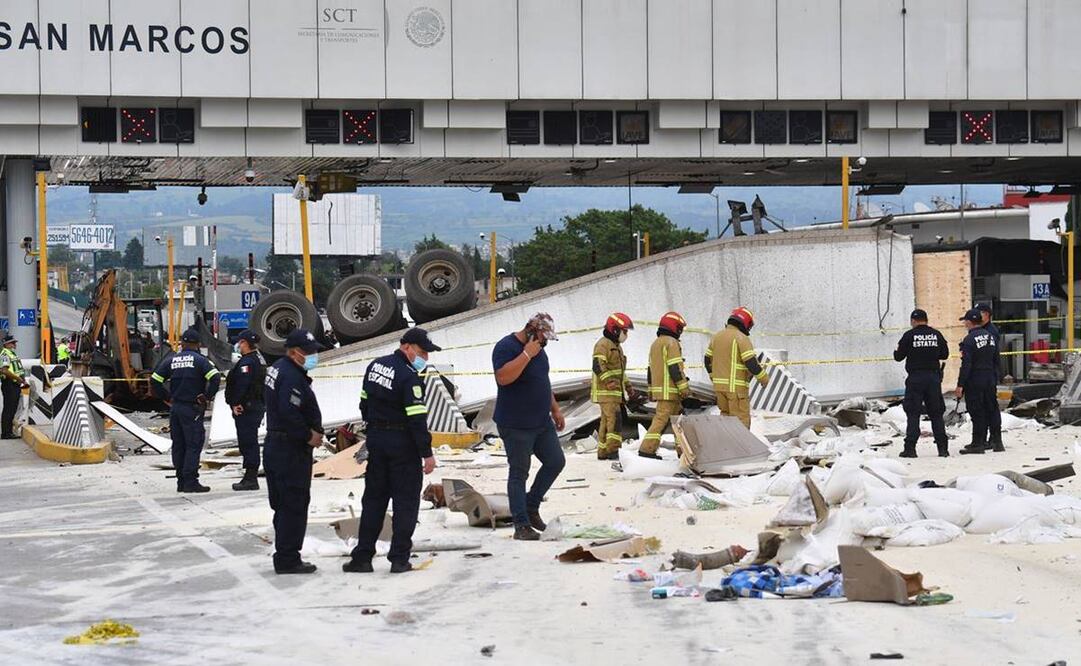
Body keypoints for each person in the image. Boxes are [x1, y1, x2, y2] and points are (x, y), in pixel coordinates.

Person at [343, 328, 440, 574]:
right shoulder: (409, 378)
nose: (424, 359)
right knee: (405, 503)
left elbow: (364, 403)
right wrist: (426, 453)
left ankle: (362, 557)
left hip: (377, 441)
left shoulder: (375, 366)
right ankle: (399, 559)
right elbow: (417, 420)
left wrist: (376, 426)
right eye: (421, 353)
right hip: (403, 445)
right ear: (406, 346)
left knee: (374, 501)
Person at [490, 313, 566, 541]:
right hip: (516, 424)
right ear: (532, 330)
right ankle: (521, 525)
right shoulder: (506, 347)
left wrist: (555, 408)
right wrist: (526, 354)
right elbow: (503, 378)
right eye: (543, 338)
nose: (545, 343)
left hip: (541, 421)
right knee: (519, 472)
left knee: (555, 462)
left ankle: (531, 506)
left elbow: (543, 380)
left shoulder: (540, 352)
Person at [263, 329, 324, 574]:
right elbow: (289, 413)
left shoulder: (278, 368)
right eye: (308, 353)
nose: (313, 357)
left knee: (283, 503)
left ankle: (285, 553)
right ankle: (288, 558)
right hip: (289, 448)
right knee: (293, 503)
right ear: (293, 352)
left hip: (278, 445)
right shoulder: (291, 376)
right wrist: (309, 435)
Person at [151, 328, 220, 492]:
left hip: (176, 408)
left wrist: (167, 397)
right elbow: (215, 377)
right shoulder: (200, 360)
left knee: (179, 444)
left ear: (182, 343)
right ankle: (191, 481)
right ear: (197, 345)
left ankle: (181, 481)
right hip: (192, 408)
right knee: (193, 444)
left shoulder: (171, 360)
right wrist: (207, 396)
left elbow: (155, 379)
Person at [894, 309, 950, 458]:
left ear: (913, 320)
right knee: (936, 414)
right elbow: (945, 354)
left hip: (915, 379)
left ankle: (910, 449)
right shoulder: (936, 334)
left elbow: (898, 357)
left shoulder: (909, 336)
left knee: (913, 413)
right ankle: (943, 449)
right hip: (933, 379)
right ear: (926, 319)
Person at [705, 306, 768, 429]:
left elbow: (707, 360)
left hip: (719, 389)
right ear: (745, 322)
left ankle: (726, 447)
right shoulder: (741, 338)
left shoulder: (716, 337)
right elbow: (751, 362)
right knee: (741, 424)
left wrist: (713, 377)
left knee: (726, 421)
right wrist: (764, 378)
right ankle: (740, 448)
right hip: (736, 391)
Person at [640, 311, 689, 459]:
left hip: (662, 391)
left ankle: (683, 451)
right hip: (671, 391)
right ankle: (646, 450)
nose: (680, 332)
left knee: (677, 421)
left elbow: (650, 369)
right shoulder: (671, 343)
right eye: (679, 328)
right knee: (662, 421)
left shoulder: (655, 344)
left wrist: (650, 389)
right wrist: (684, 387)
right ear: (674, 327)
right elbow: (675, 368)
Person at [956, 308, 1001, 455]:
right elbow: (996, 360)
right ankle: (997, 441)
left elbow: (966, 364)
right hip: (990, 377)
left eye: (965, 321)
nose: (964, 324)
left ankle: (978, 443)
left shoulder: (969, 340)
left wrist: (960, 384)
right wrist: (995, 377)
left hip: (975, 379)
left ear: (969, 322)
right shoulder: (990, 336)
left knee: (977, 410)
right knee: (992, 408)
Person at [225, 330, 266, 491]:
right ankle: (249, 475)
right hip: (253, 406)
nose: (238, 345)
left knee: (248, 442)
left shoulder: (248, 363)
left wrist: (236, 402)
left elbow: (243, 385)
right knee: (248, 441)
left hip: (247, 408)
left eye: (240, 342)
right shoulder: (257, 359)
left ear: (245, 343)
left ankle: (251, 478)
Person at [591, 313, 636, 461]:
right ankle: (613, 451)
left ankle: (603, 451)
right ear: (615, 330)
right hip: (606, 392)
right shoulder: (603, 344)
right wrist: (608, 381)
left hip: (614, 392)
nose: (626, 335)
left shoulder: (616, 347)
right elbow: (598, 365)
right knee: (615, 420)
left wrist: (628, 386)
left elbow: (620, 372)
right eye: (625, 331)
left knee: (606, 421)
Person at [974, 302, 1003, 450]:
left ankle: (994, 439)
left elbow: (989, 355)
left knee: (990, 407)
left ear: (987, 315)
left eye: (980, 313)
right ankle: (987, 439)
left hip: (988, 374)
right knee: (985, 407)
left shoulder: (991, 331)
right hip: (987, 374)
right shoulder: (983, 330)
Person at [0, 335, 28, 439]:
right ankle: (6, 433)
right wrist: (18, 378)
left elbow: (15, 368)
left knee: (12, 409)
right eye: (12, 343)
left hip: (15, 383)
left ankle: (9, 432)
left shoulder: (11, 353)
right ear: (6, 344)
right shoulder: (4, 354)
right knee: (9, 409)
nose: (15, 344)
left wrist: (21, 379)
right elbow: (4, 370)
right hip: (9, 384)